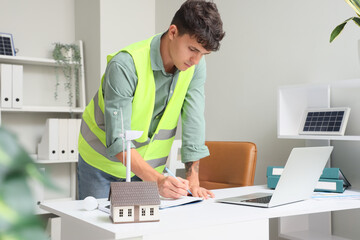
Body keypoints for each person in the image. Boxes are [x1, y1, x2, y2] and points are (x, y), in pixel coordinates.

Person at [77, 0, 225, 200]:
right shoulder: (125, 65)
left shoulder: (195, 67)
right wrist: (158, 181)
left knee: (142, 228)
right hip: (100, 161)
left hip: (148, 166)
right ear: (173, 32)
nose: (196, 60)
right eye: (192, 49)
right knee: (96, 227)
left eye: (203, 54)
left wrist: (193, 181)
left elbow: (194, 120)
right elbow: (118, 140)